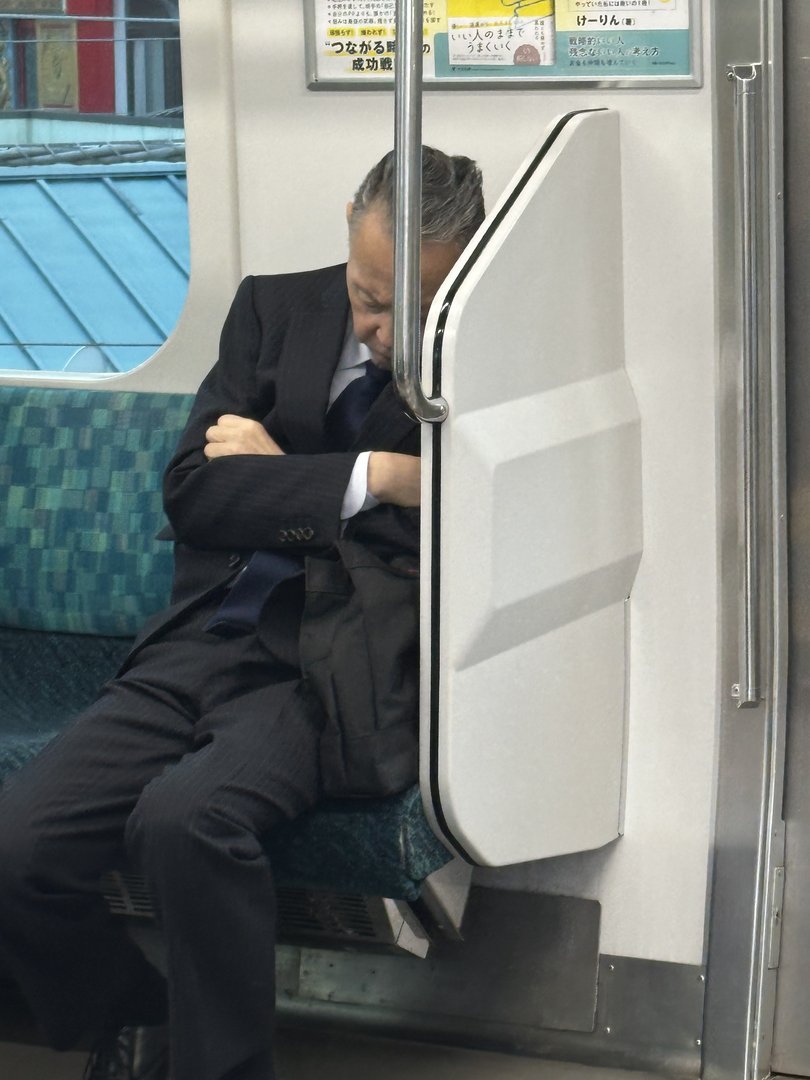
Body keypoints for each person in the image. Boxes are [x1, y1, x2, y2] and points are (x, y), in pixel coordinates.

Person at [0, 147, 485, 1080]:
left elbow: (433, 546)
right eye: (368, 294)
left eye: (407, 309)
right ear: (350, 222)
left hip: (324, 665)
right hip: (200, 637)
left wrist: (274, 473)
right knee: (20, 846)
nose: (382, 333)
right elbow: (192, 496)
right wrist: (373, 478)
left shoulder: (480, 354)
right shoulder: (274, 309)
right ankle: (131, 1011)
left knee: (185, 821)